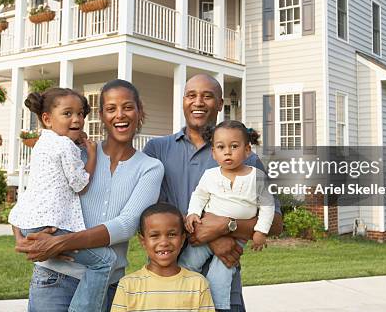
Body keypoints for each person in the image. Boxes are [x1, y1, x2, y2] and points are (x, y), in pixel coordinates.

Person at [14, 79, 164, 312]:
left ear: (139, 111)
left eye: (127, 107)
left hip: (106, 285)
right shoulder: (76, 153)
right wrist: (19, 234)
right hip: (54, 278)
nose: (120, 115)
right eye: (111, 108)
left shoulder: (150, 167)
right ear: (101, 115)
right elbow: (36, 191)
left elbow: (126, 225)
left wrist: (60, 242)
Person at [144, 74, 283, 312]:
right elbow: (146, 216)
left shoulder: (246, 159)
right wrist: (212, 237)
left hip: (225, 294)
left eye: (207, 96)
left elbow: (276, 224)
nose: (198, 102)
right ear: (183, 101)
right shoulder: (157, 150)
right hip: (167, 289)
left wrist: (225, 226)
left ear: (220, 104)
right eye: (191, 95)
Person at [9, 88, 116, 312]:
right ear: (47, 119)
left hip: (29, 225)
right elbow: (80, 184)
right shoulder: (64, 145)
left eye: (81, 114)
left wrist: (19, 233)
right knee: (105, 261)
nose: (77, 119)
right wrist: (93, 154)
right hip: (51, 226)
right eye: (67, 114)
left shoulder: (41, 144)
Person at [179, 120, 274, 310]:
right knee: (188, 263)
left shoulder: (256, 176)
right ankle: (183, 298)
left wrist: (261, 231)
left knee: (220, 275)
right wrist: (193, 214)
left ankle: (218, 307)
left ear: (247, 150)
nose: (227, 152)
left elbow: (268, 206)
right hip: (206, 233)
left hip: (236, 238)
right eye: (221, 147)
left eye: (234, 146)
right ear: (214, 153)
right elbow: (199, 195)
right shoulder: (210, 175)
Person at [110, 202, 215, 312]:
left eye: (171, 235)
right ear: (143, 241)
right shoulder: (128, 285)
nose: (164, 242)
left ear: (182, 239)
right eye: (155, 236)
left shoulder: (198, 284)